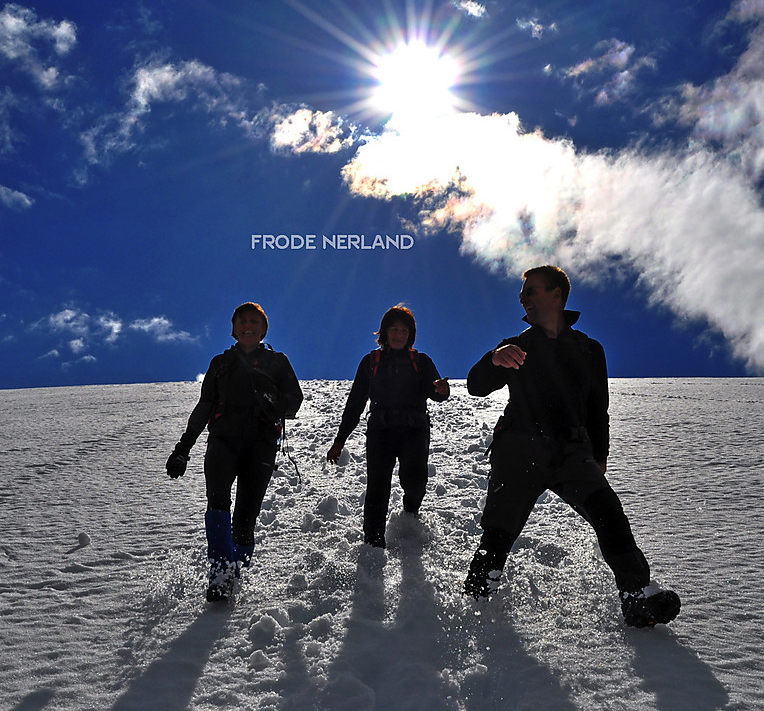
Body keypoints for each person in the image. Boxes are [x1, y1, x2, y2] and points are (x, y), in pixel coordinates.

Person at [462, 266, 680, 627]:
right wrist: (493, 359)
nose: (523, 298)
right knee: (499, 531)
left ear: (556, 295)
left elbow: (598, 408)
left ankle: (636, 598)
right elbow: (476, 385)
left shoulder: (590, 350)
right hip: (519, 451)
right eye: (523, 293)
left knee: (610, 516)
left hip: (572, 454)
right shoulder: (516, 346)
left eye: (531, 291)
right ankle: (477, 600)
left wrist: (601, 455)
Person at [166, 302, 303, 601]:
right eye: (242, 321)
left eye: (255, 321)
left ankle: (235, 574)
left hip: (262, 445)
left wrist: (273, 401)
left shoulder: (278, 362)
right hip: (223, 442)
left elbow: (294, 401)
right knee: (217, 503)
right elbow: (204, 406)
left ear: (264, 329)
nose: (248, 326)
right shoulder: (220, 364)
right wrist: (183, 449)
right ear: (233, 329)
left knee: (246, 516)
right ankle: (220, 575)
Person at [327, 305, 450, 548]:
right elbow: (356, 403)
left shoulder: (421, 361)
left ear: (410, 335)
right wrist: (340, 441)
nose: (399, 335)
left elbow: (435, 392)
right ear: (384, 332)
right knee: (377, 486)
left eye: (404, 330)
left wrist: (442, 390)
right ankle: (373, 543)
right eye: (394, 329)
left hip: (414, 430)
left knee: (415, 480)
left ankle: (409, 515)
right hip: (380, 431)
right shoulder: (370, 361)